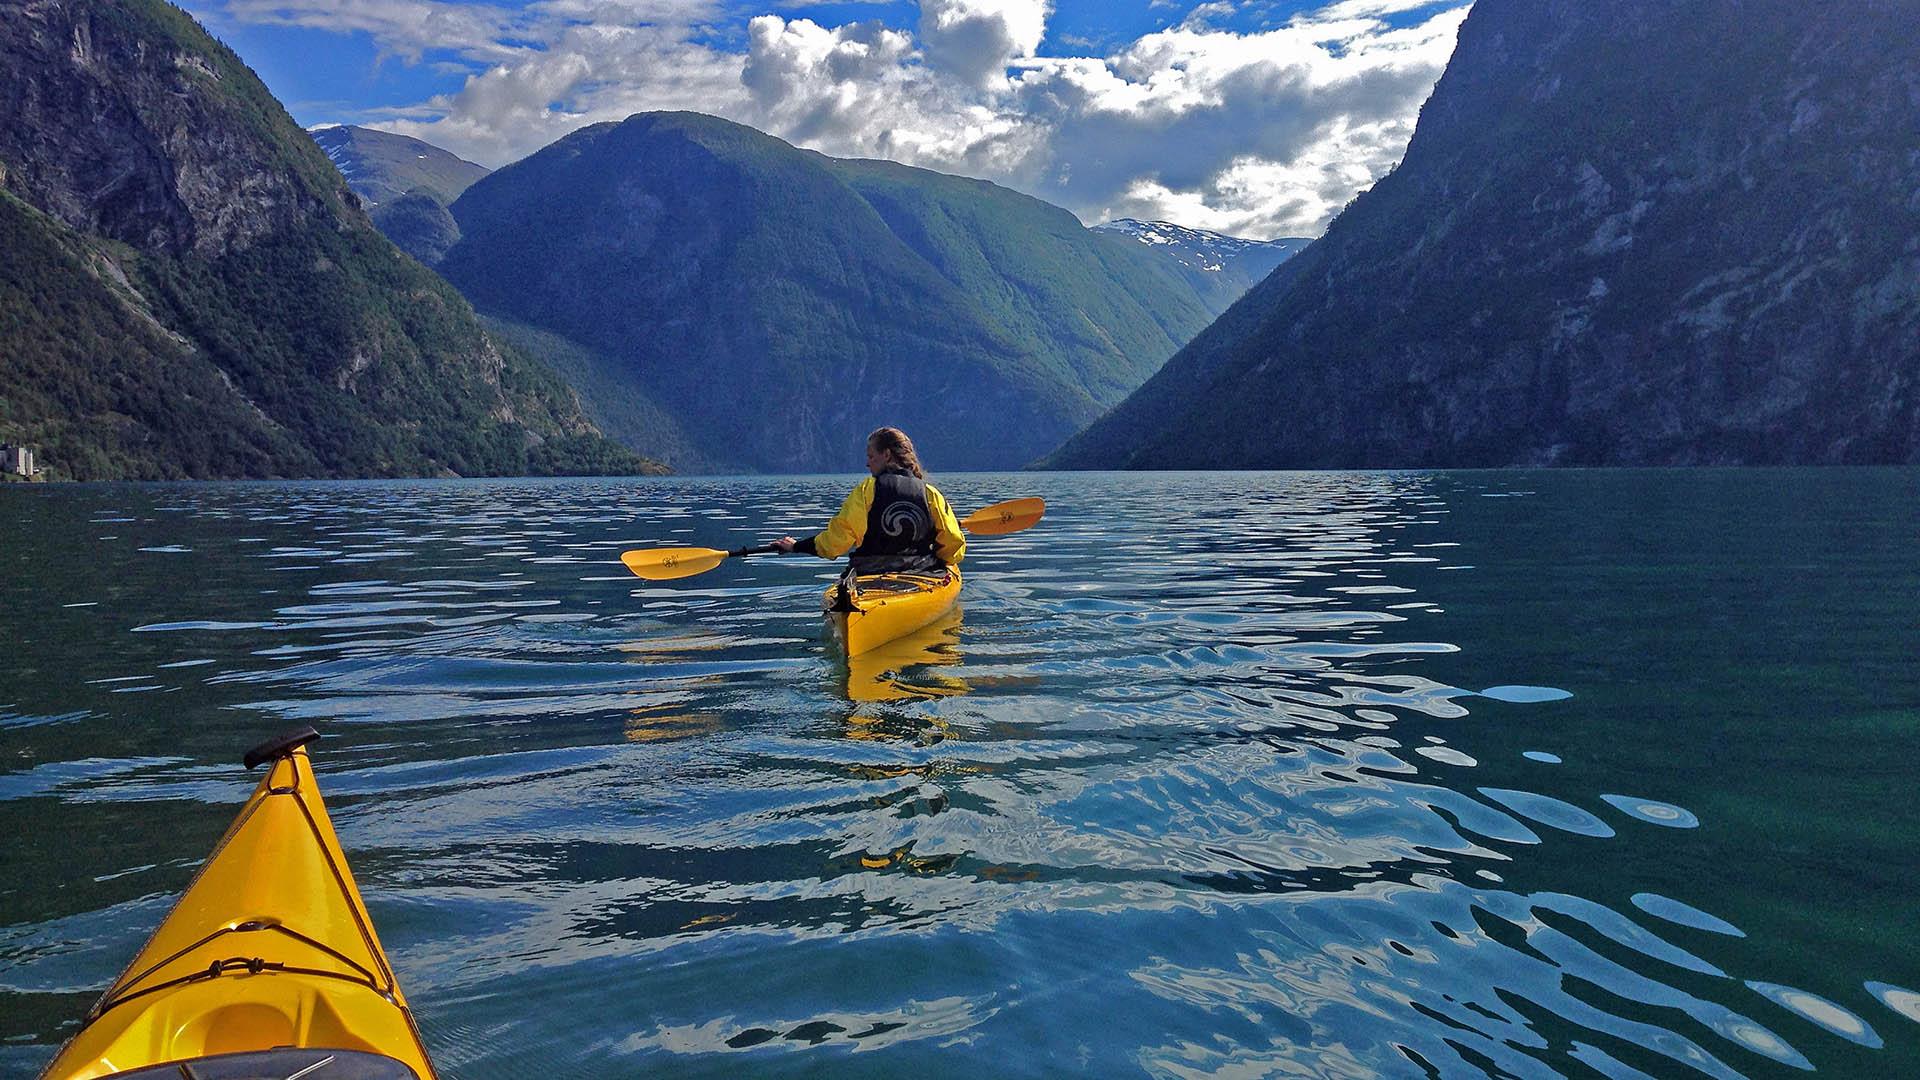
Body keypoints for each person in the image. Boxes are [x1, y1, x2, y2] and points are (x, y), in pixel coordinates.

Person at [772, 427, 965, 575]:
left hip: (868, 576)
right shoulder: (930, 494)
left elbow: (835, 542)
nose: (867, 463)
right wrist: (941, 561)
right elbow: (953, 543)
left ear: (887, 455)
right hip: (919, 575)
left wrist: (796, 546)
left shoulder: (867, 490)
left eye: (871, 456)